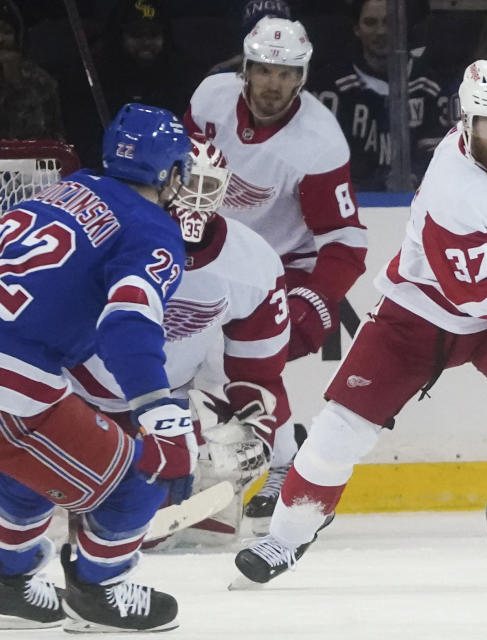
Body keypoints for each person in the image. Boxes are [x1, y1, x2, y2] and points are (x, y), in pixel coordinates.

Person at [231, 52, 487, 586]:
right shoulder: (456, 191)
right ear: (466, 123)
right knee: (336, 433)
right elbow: (484, 295)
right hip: (424, 311)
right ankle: (286, 536)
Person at [0, 103, 194, 632]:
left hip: (16, 369)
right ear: (170, 173)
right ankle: (98, 591)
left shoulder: (63, 190)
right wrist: (157, 408)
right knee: (146, 469)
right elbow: (126, 323)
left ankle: (8, 580)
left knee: (38, 464)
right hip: (9, 381)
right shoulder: (152, 229)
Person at [65, 136, 292, 546]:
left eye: (209, 187)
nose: (195, 200)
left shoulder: (252, 262)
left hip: (165, 401)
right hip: (79, 394)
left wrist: (257, 436)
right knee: (112, 522)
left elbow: (259, 370)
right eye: (188, 184)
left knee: (207, 531)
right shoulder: (110, 235)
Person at [185, 16, 367, 522]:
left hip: (280, 266)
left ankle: (289, 464)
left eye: (287, 74)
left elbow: (347, 241)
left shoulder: (318, 141)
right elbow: (177, 172)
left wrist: (316, 297)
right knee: (190, 358)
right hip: (214, 251)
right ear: (246, 68)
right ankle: (267, 456)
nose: (274, 85)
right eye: (265, 70)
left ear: (303, 77)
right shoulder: (210, 99)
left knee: (240, 359)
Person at [308, 0, 446, 190]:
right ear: (357, 29)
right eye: (371, 22)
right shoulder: (329, 86)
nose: (381, 31)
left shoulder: (429, 84)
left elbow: (437, 157)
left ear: (403, 25)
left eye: (389, 22)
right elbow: (319, 157)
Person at [96, 0, 203, 119]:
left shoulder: (182, 76)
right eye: (136, 34)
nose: (146, 42)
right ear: (120, 38)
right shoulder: (98, 76)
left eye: (154, 34)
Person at [0, 0, 63, 139]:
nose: (1, 40)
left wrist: (14, 80)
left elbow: (49, 136)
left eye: (7, 32)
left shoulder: (41, 82)